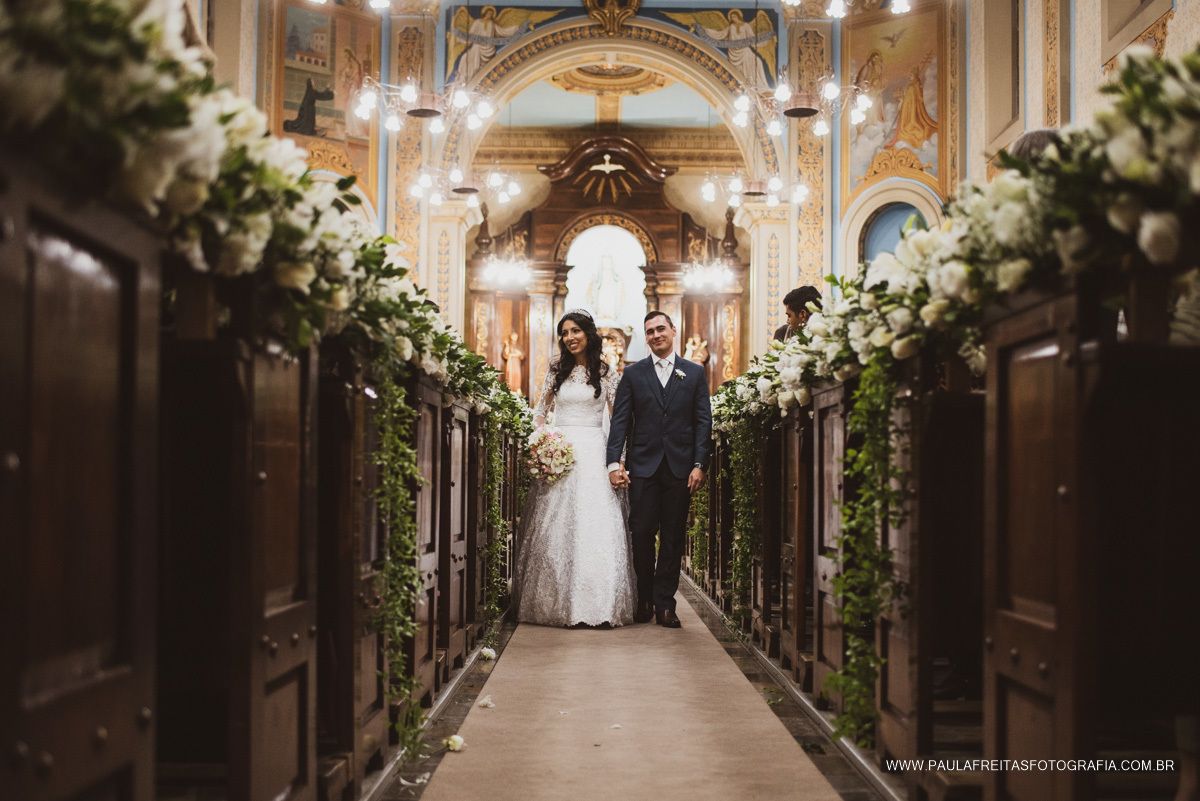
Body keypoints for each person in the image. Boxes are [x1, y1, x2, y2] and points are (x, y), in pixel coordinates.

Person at [514, 310, 636, 628]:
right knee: (554, 524)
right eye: (565, 333)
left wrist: (618, 460)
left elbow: (619, 422)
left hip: (595, 451)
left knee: (596, 525)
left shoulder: (607, 373)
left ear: (589, 334)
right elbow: (540, 411)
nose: (570, 338)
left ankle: (598, 605)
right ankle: (552, 604)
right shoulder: (556, 370)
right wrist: (541, 440)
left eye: (576, 331)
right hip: (561, 451)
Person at [606, 312, 713, 628]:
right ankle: (645, 597)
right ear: (645, 337)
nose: (655, 335)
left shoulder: (693, 372)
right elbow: (621, 422)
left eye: (660, 329)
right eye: (649, 331)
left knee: (673, 535)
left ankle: (666, 603)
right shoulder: (634, 374)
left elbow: (702, 421)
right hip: (643, 466)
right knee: (640, 532)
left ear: (673, 331)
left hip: (681, 467)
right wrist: (615, 462)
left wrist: (699, 464)